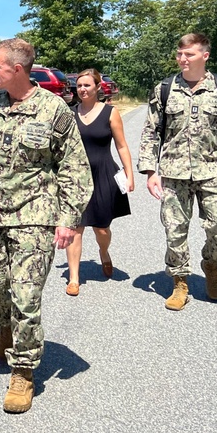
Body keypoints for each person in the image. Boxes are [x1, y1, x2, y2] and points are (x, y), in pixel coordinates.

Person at [0, 38, 92, 413]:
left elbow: (75, 169)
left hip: (35, 218)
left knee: (27, 297)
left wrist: (68, 219)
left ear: (16, 69)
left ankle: (24, 371)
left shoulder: (54, 111)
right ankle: (6, 325)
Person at [137, 32, 217, 311]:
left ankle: (211, 263)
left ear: (204, 55)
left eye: (189, 54)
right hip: (174, 172)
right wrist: (150, 171)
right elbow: (151, 132)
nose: (182, 59)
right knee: (175, 231)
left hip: (213, 170)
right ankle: (180, 282)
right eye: (179, 54)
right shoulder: (164, 89)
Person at [64, 69, 134, 296]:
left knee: (102, 229)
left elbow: (122, 146)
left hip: (103, 173)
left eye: (87, 85)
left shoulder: (110, 113)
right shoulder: (70, 114)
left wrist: (129, 174)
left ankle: (104, 252)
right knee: (75, 228)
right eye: (79, 85)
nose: (82, 89)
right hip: (76, 178)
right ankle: (74, 278)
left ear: (97, 87)